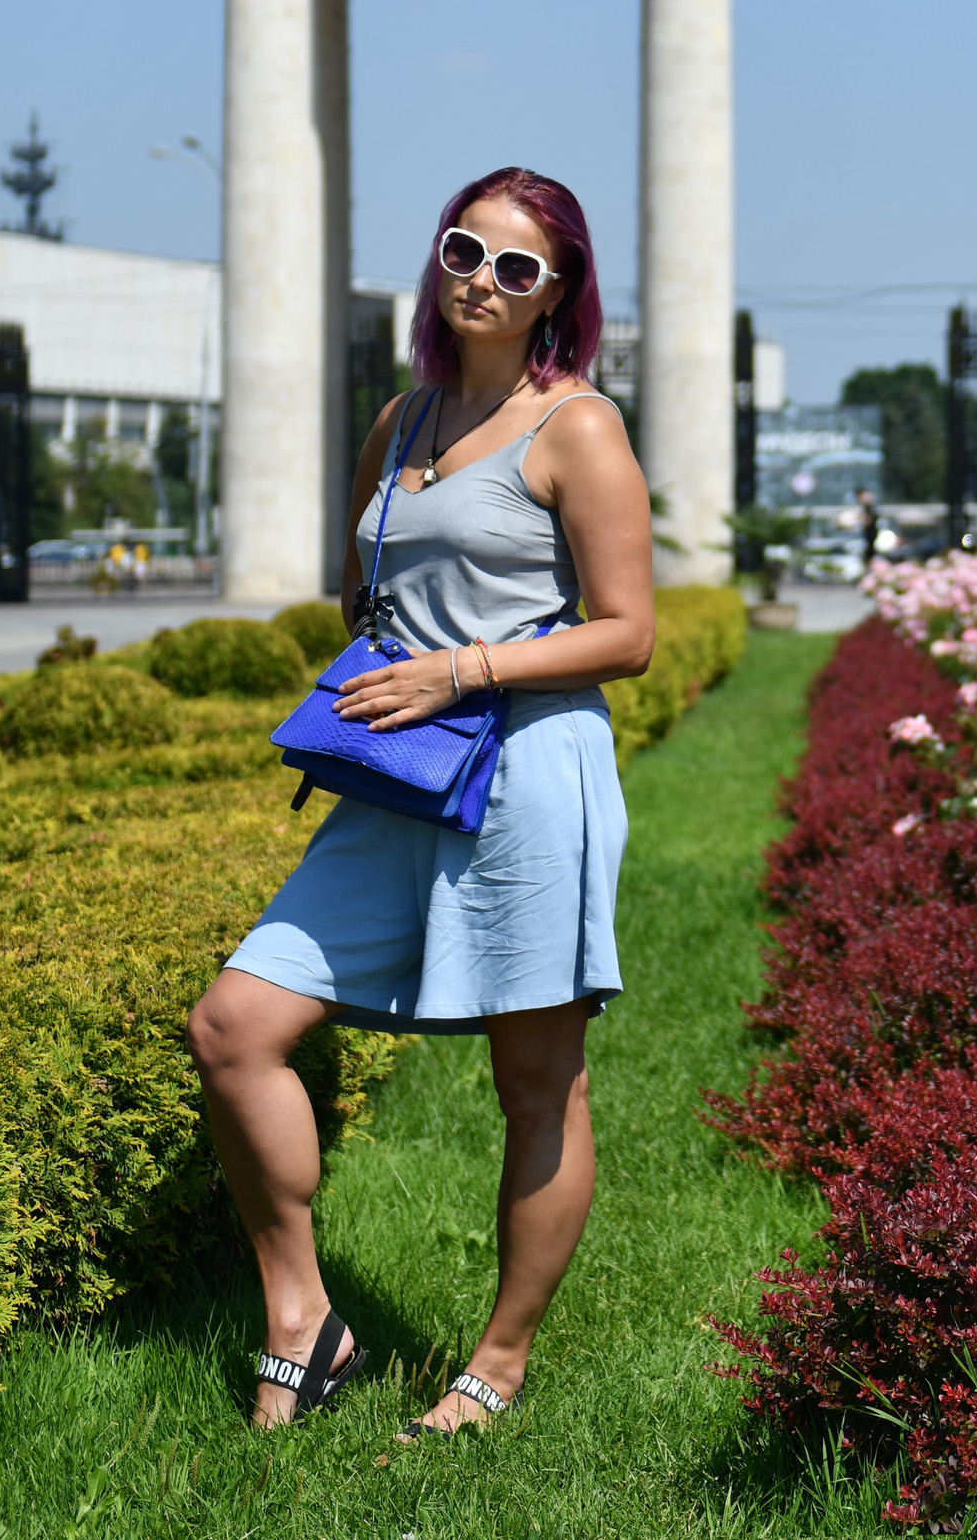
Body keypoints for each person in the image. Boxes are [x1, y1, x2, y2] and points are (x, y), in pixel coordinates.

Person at [185, 167, 655, 1439]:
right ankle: (304, 1317)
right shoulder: (399, 420)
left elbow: (629, 636)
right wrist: (390, 665)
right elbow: (364, 586)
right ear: (435, 260)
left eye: (517, 267)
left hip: (527, 773)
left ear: (558, 295)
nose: (481, 280)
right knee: (235, 1027)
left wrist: (464, 666)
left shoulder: (579, 430)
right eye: (465, 250)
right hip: (398, 778)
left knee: (537, 1081)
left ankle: (495, 1364)